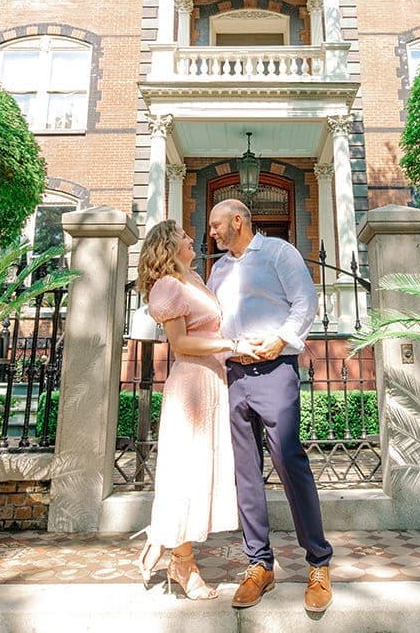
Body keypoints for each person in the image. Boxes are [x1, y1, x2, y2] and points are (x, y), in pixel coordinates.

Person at [207, 198, 333, 613]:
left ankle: (318, 562)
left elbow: (305, 302)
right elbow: (212, 319)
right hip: (235, 375)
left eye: (215, 225)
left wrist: (281, 339)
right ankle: (259, 564)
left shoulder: (280, 252)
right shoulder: (218, 270)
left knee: (288, 460)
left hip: (276, 370)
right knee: (245, 471)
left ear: (237, 221)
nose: (211, 233)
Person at [132, 219, 252, 599]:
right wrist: (228, 344)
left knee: (202, 469)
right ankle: (182, 562)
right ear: (170, 246)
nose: (191, 238)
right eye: (184, 236)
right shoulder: (168, 286)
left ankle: (166, 539)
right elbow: (181, 343)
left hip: (214, 381)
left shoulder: (197, 280)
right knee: (185, 470)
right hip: (191, 386)